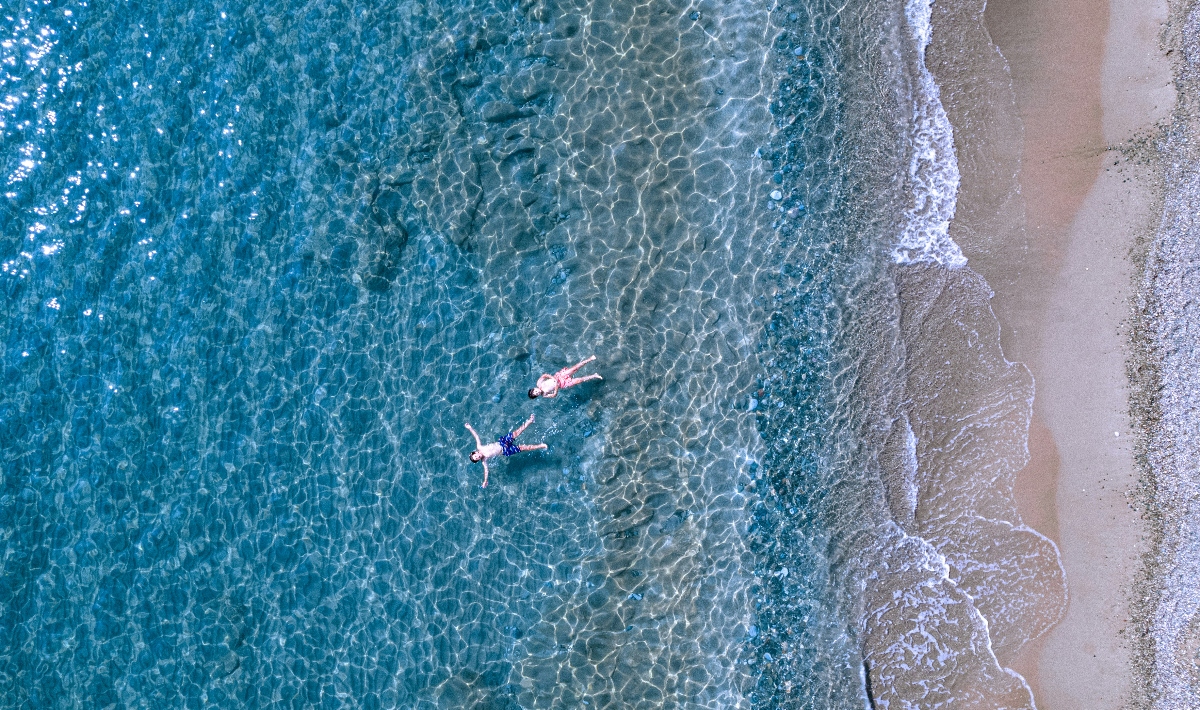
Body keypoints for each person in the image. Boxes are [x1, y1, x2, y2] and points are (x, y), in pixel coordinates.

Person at [464, 414, 547, 487]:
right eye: (477, 459)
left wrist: (470, 428)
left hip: (502, 442)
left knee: (517, 432)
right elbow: (486, 471)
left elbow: (476, 436)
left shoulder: (479, 446)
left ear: (476, 452)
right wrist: (485, 481)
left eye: (476, 456)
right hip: (506, 450)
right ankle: (541, 446)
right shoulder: (484, 460)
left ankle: (530, 421)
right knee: (524, 448)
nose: (478, 457)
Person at [528, 355, 602, 399]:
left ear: (535, 388)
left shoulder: (539, 383)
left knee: (575, 368)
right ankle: (594, 375)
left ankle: (589, 359)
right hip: (562, 384)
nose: (538, 392)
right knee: (579, 380)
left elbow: (544, 375)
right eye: (537, 394)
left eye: (536, 391)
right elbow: (554, 395)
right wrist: (556, 388)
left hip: (559, 377)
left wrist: (553, 378)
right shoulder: (544, 394)